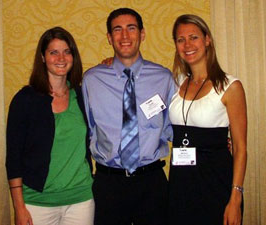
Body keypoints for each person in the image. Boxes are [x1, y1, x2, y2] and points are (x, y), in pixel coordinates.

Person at [82, 8, 176, 225]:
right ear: (109, 37)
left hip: (152, 183)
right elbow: (86, 129)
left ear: (142, 34)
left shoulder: (163, 78)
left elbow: (176, 128)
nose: (125, 36)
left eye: (131, 28)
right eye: (118, 29)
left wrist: (212, 143)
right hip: (109, 183)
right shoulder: (92, 80)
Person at [6, 27, 94, 225]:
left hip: (80, 200)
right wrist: (18, 207)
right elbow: (13, 158)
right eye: (53, 52)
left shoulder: (81, 96)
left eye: (67, 51)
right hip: (37, 202)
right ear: (43, 57)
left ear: (73, 56)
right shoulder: (25, 100)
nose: (61, 58)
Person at [168, 14, 247, 225]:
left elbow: (240, 148)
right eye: (180, 39)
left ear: (207, 39)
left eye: (193, 37)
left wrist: (235, 198)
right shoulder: (175, 83)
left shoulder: (230, 86)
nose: (187, 45)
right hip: (180, 183)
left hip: (216, 182)